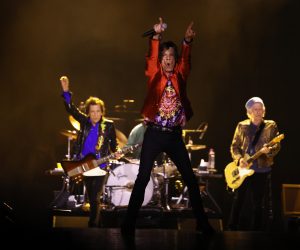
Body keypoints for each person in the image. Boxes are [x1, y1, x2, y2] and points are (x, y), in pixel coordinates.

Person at [121, 17, 215, 238]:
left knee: (191, 180)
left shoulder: (181, 74)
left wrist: (187, 41)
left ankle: (202, 223)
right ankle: (128, 224)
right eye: (165, 56)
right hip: (154, 134)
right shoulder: (155, 74)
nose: (168, 60)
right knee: (142, 178)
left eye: (172, 56)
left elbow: (187, 60)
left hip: (173, 136)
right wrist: (155, 37)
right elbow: (151, 57)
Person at [60, 76, 121, 227]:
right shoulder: (84, 121)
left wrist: (118, 151)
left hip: (100, 166)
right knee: (91, 198)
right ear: (88, 112)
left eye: (97, 111)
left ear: (102, 112)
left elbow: (114, 144)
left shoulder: (108, 125)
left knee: (95, 197)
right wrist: (66, 92)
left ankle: (92, 226)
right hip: (84, 164)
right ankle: (97, 228)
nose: (95, 114)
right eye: (92, 111)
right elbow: (70, 109)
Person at [227, 97, 281, 231]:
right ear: (249, 112)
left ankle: (257, 234)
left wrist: (269, 151)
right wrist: (239, 159)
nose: (258, 112)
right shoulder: (241, 125)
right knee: (238, 200)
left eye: (260, 109)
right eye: (255, 109)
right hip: (243, 169)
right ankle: (231, 229)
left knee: (259, 204)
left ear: (264, 111)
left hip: (262, 169)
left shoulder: (271, 125)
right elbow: (234, 146)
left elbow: (277, 145)